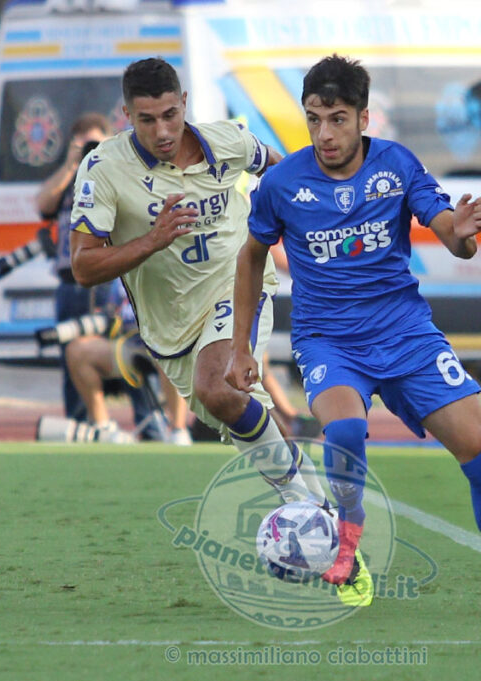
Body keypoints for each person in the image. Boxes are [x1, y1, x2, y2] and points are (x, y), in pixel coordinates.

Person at [226, 55, 481, 617]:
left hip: (406, 334)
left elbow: (452, 235)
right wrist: (240, 347)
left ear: (363, 118)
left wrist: (464, 235)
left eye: (337, 119)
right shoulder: (281, 184)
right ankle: (347, 543)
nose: (324, 134)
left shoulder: (397, 165)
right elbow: (251, 256)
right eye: (314, 120)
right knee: (345, 430)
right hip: (328, 339)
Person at [68, 58, 326, 503]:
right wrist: (153, 240)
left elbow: (280, 169)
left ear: (184, 103)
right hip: (170, 326)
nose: (163, 131)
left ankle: (300, 506)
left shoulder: (227, 141)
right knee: (241, 411)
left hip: (239, 283)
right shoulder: (103, 168)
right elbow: (83, 266)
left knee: (218, 386)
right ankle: (321, 508)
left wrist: (296, 218)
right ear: (127, 116)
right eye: (147, 120)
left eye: (170, 114)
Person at [35, 112, 115, 420]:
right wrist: (71, 163)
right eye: (86, 145)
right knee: (70, 353)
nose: (91, 150)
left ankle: (145, 427)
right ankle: (79, 423)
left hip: (107, 279)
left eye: (97, 144)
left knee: (121, 351)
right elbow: (43, 204)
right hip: (70, 281)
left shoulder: (116, 174)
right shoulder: (68, 178)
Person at [65, 293, 193, 445]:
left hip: (164, 339)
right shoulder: (116, 281)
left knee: (171, 351)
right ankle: (104, 429)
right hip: (129, 342)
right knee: (77, 351)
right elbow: (113, 309)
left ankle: (178, 429)